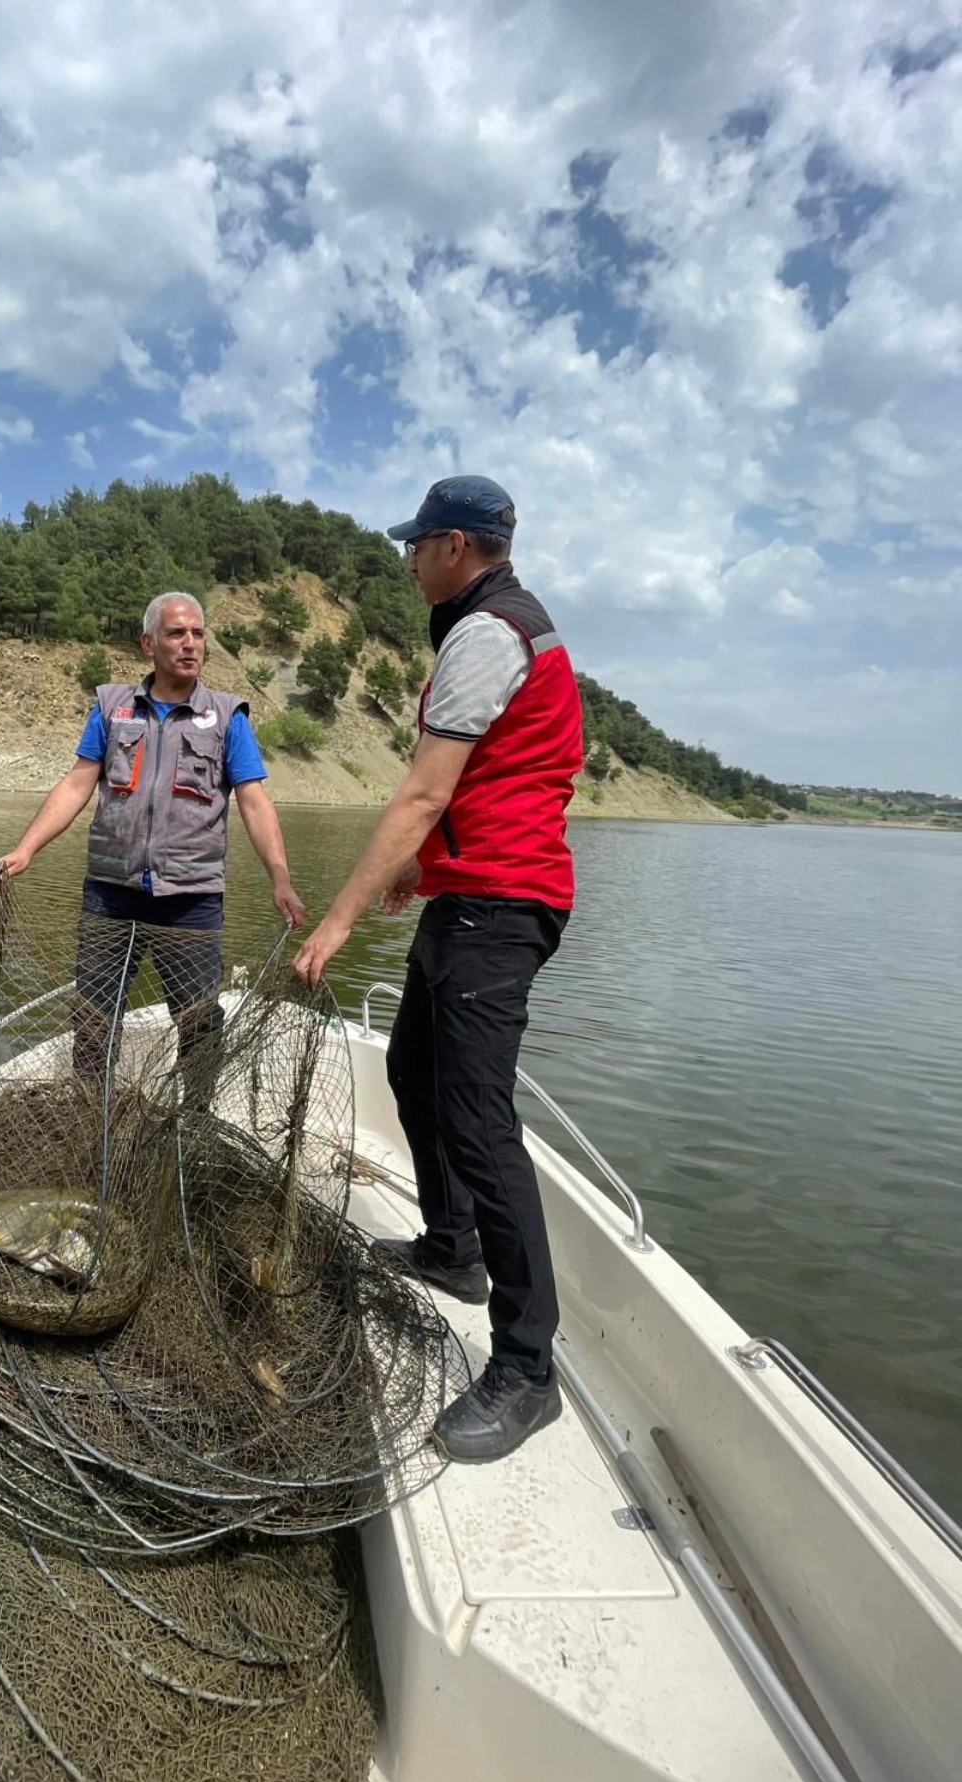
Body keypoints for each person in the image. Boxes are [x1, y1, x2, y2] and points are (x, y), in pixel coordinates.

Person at [294, 478, 582, 1462]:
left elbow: (423, 792)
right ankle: (451, 1247)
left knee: (478, 1117)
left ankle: (527, 1367)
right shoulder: (497, 626)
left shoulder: (484, 633)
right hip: (473, 896)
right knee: (413, 1071)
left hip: (501, 912)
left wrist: (333, 924)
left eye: (418, 545)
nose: (410, 560)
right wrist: (425, 870)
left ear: (457, 546)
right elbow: (501, 779)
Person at [0, 591, 305, 1089]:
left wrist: (281, 878)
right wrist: (26, 848)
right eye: (176, 633)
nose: (191, 644)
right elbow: (78, 782)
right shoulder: (112, 709)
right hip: (110, 892)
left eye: (198, 634)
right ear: (148, 644)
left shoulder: (229, 717)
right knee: (94, 1022)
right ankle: (88, 1113)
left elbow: (253, 800)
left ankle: (195, 1122)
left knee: (200, 1024)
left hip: (191, 899)